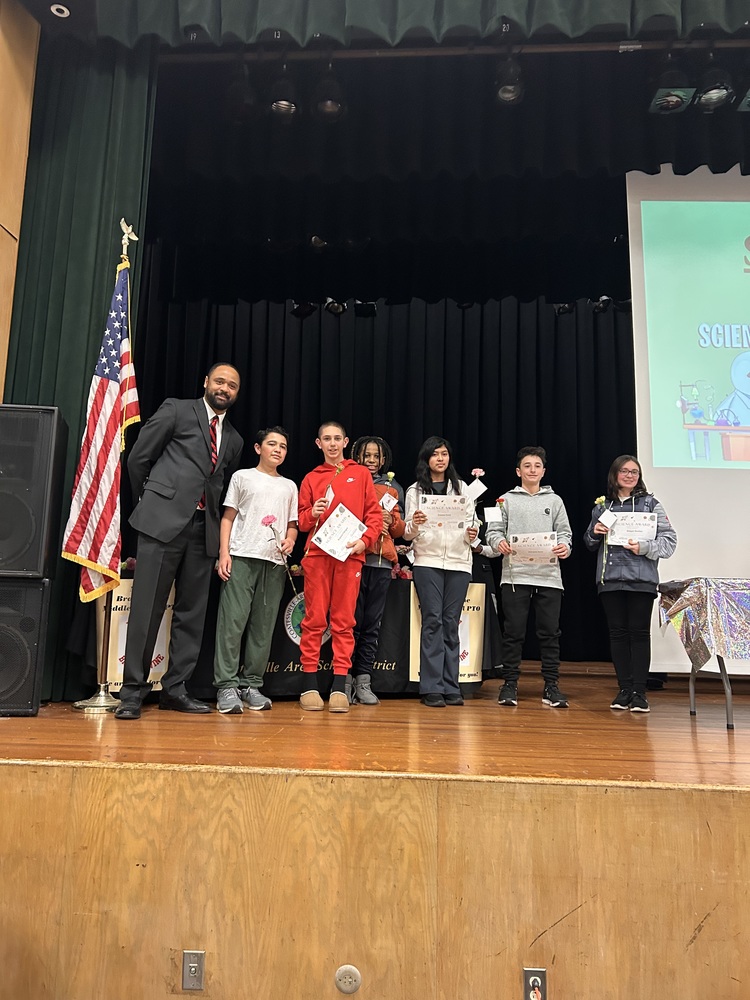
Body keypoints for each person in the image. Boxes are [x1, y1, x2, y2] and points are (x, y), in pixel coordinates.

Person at [115, 363, 244, 720]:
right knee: (147, 609)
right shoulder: (176, 408)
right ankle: (132, 692)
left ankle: (175, 689)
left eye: (231, 385)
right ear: (205, 382)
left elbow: (218, 487)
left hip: (203, 532)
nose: (224, 388)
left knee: (192, 615)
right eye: (219, 381)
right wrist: (153, 500)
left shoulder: (234, 439)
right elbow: (139, 457)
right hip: (161, 525)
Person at [297, 421, 383, 713]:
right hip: (318, 556)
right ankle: (309, 683)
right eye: (326, 439)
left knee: (344, 621)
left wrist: (364, 542)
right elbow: (302, 521)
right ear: (318, 444)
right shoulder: (310, 478)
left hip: (349, 557)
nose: (332, 444)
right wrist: (312, 513)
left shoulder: (359, 474)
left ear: (345, 441)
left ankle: (338, 687)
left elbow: (374, 517)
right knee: (314, 619)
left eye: (337, 438)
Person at [213, 427, 298, 714]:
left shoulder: (289, 486)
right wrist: (223, 553)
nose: (278, 449)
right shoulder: (242, 477)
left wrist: (290, 540)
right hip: (241, 556)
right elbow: (228, 517)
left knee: (263, 627)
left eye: (283, 446)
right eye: (272, 444)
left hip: (274, 563)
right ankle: (226, 685)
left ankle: (251, 684)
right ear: (258, 447)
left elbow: (293, 524)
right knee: (232, 623)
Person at [583, 454, 677, 713]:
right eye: (624, 471)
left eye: (634, 472)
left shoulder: (650, 504)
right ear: (614, 475)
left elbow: (669, 542)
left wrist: (644, 546)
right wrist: (595, 532)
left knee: (638, 634)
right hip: (610, 580)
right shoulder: (603, 508)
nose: (629, 476)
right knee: (617, 634)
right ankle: (624, 689)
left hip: (641, 580)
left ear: (639, 476)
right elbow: (589, 543)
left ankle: (639, 692)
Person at [486, 446, 572, 708]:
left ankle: (551, 686)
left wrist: (565, 548)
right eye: (527, 466)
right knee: (513, 633)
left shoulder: (555, 501)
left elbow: (565, 534)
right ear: (518, 471)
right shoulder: (504, 500)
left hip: (548, 577)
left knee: (549, 633)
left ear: (543, 471)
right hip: (515, 576)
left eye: (537, 466)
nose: (532, 470)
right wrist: (499, 542)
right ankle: (509, 684)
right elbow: (492, 532)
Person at [403, 436, 478, 707]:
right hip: (427, 562)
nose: (440, 459)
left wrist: (474, 532)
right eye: (435, 454)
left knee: (451, 622)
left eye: (444, 454)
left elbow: (473, 524)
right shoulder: (415, 491)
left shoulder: (462, 489)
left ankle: (451, 685)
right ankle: (432, 687)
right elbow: (408, 534)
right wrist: (413, 522)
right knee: (432, 620)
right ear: (427, 459)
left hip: (459, 563)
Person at [347, 435, 405, 705]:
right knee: (350, 623)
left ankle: (364, 680)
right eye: (366, 455)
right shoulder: (348, 479)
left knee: (372, 625)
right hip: (352, 560)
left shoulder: (393, 488)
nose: (371, 461)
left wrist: (390, 520)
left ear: (384, 460)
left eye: (376, 457)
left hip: (381, 563)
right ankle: (343, 680)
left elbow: (400, 531)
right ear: (356, 456)